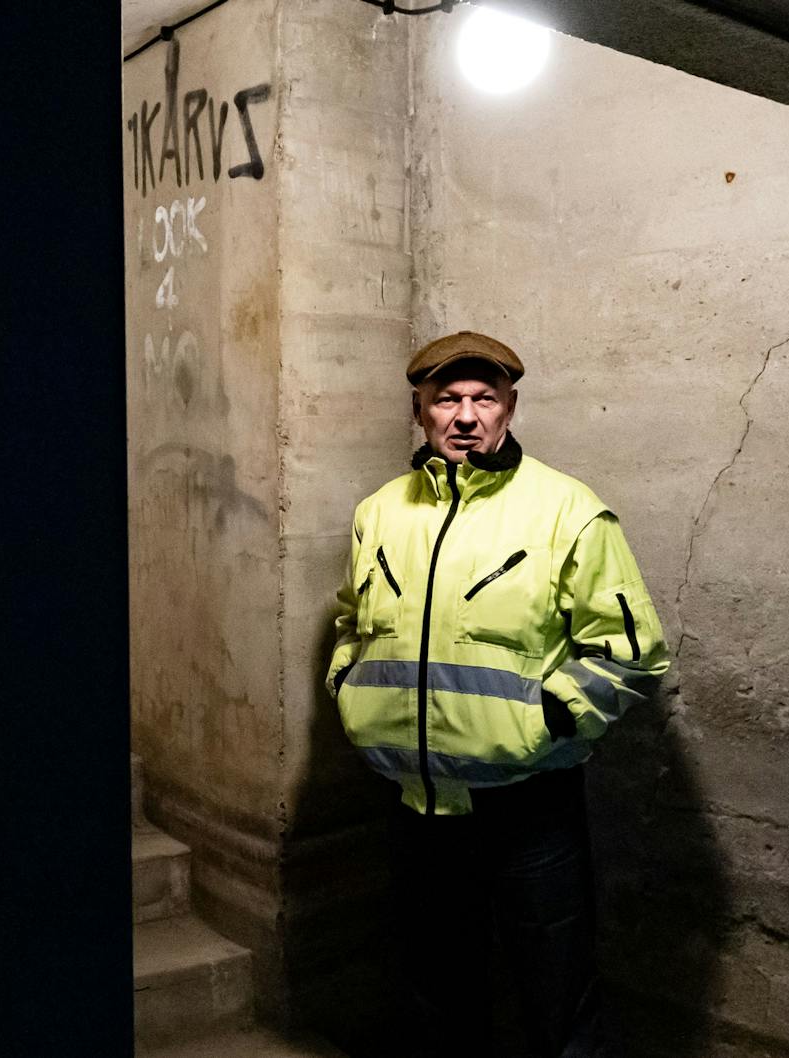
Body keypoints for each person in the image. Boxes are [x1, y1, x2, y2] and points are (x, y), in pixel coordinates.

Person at [325, 331, 669, 1058]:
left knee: (556, 992)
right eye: (446, 398)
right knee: (436, 988)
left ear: (510, 408)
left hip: (528, 805)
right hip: (416, 805)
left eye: (484, 398)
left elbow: (631, 652)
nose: (465, 415)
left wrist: (545, 720)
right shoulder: (380, 512)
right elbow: (352, 622)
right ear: (420, 411)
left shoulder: (566, 510)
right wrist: (347, 684)